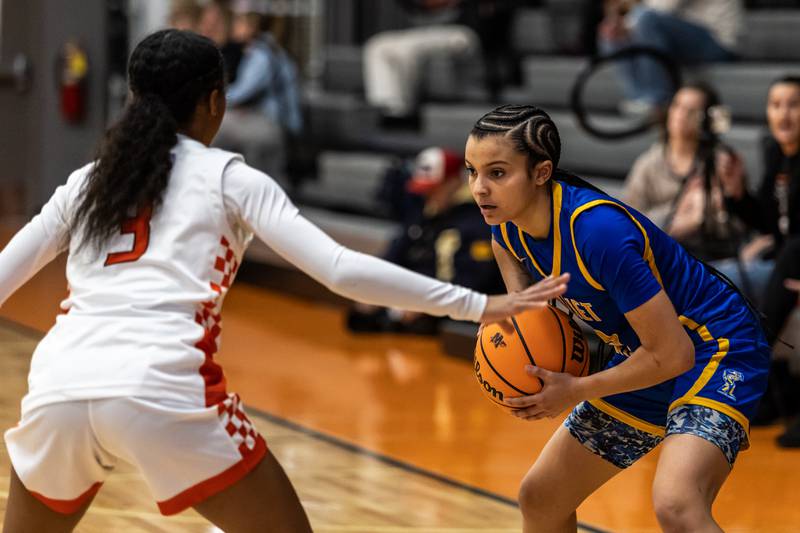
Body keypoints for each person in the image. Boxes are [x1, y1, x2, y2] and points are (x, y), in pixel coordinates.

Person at [0, 32, 568, 533]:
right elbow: (341, 270)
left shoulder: (87, 181)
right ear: (215, 102)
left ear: (132, 100)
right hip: (161, 386)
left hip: (59, 386)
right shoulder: (229, 178)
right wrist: (482, 304)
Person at [465, 104, 769, 532]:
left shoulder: (598, 232)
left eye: (497, 173)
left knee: (677, 503)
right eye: (471, 172)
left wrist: (576, 389)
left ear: (540, 172)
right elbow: (514, 277)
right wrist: (516, 320)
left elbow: (674, 355)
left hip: (715, 347)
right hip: (647, 355)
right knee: (541, 497)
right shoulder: (507, 226)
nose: (479, 188)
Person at [347, 147, 503, 334]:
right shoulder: (424, 215)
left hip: (451, 312)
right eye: (423, 190)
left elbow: (476, 280)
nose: (425, 197)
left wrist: (429, 305)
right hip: (414, 300)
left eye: (432, 190)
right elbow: (394, 254)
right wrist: (372, 286)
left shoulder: (478, 222)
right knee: (359, 318)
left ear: (454, 184)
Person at [721, 76, 800, 428]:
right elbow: (770, 222)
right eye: (776, 104)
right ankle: (766, 390)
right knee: (721, 277)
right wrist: (737, 195)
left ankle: (752, 376)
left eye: (794, 104)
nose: (784, 113)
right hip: (785, 262)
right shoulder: (776, 154)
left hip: (794, 259)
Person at [622, 83, 751, 267]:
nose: (681, 115)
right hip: (660, 255)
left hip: (714, 257)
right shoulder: (648, 163)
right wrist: (685, 212)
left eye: (692, 111)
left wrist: (717, 204)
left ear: (707, 119)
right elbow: (628, 223)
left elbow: (737, 225)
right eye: (677, 106)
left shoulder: (721, 161)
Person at [598, 0, 742, 116]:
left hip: (718, 42)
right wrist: (619, 26)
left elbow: (662, 8)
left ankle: (658, 99)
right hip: (684, 36)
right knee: (611, 30)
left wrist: (626, 23)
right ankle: (638, 96)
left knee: (645, 20)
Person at [213, 2, 302, 182]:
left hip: (273, 123)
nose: (233, 26)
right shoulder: (270, 48)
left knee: (217, 128)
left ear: (251, 25)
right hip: (269, 120)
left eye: (238, 21)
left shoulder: (261, 54)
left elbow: (242, 92)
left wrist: (212, 99)